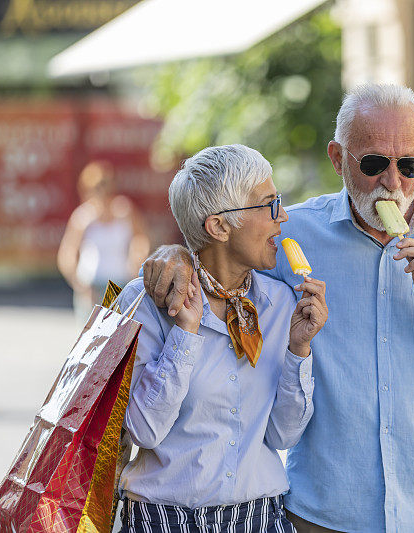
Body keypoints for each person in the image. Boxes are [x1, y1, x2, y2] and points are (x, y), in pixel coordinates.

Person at [141, 84, 414, 533]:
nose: (393, 182)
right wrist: (177, 255)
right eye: (375, 163)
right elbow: (222, 257)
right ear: (337, 158)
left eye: (411, 165)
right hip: (325, 516)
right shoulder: (288, 234)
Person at [115, 144, 328, 533]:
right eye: (268, 205)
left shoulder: (280, 301)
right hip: (162, 519)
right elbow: (145, 430)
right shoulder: (144, 302)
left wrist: (299, 349)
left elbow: (283, 435)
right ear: (219, 227)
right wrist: (186, 332)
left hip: (259, 516)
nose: (282, 217)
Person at [57, 160, 150, 324]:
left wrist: (136, 261)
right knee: (92, 340)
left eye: (105, 187)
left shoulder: (125, 210)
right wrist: (79, 284)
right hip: (92, 285)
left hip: (120, 283)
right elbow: (67, 253)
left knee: (118, 337)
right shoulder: (83, 217)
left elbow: (140, 239)